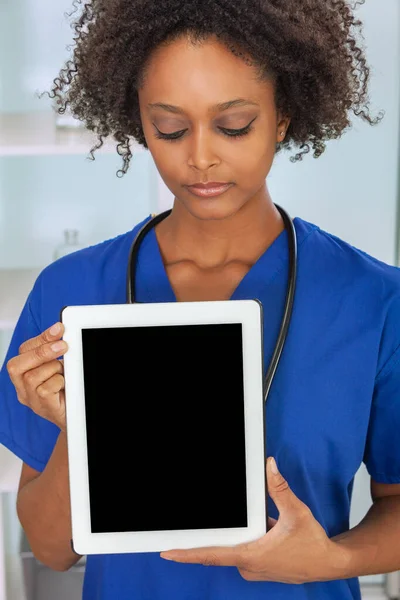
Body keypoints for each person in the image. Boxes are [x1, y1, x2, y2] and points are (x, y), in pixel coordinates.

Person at [1, 0, 400, 598]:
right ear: (139, 121)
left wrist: (330, 561)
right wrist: (84, 428)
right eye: (170, 128)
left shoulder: (374, 300)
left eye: (234, 125)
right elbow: (54, 550)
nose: (201, 156)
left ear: (283, 115)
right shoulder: (71, 293)